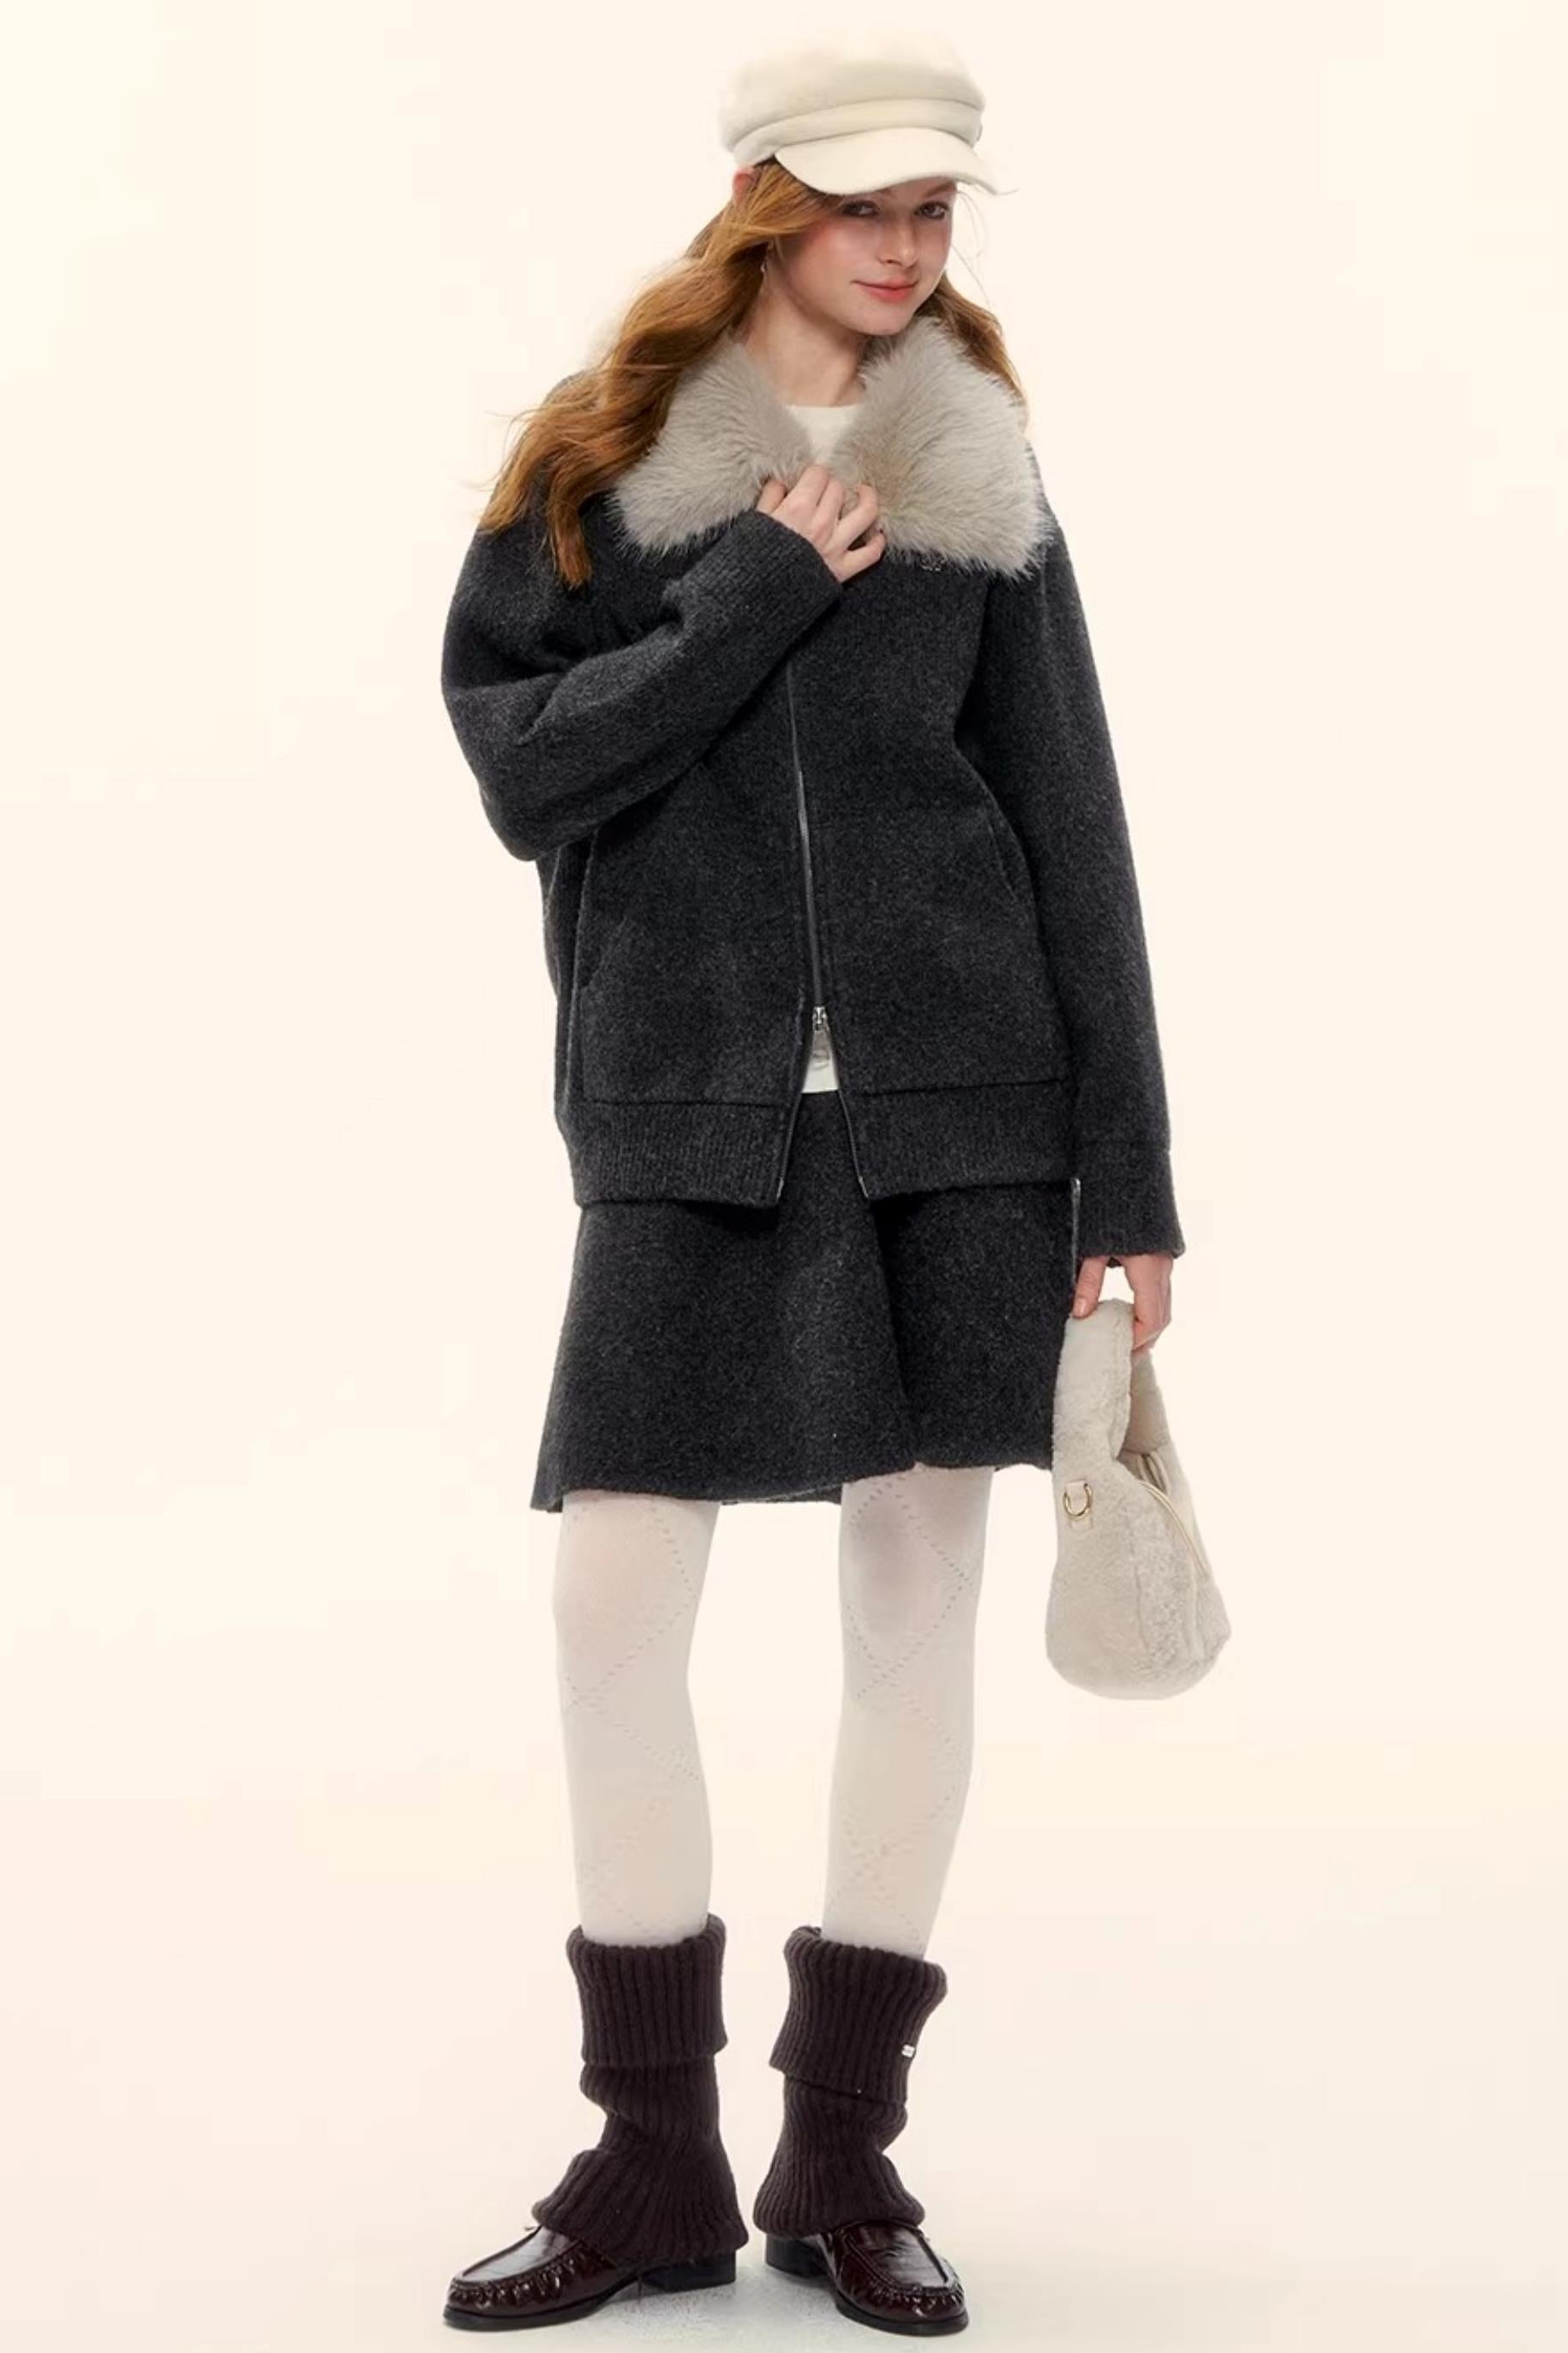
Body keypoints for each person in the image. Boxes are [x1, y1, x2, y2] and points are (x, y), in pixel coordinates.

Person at [437, 32, 1186, 2337]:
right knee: (611, 1602)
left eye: (937, 207)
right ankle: (650, 2152)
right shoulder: (598, 464)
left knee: (914, 1598)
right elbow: (524, 771)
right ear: (767, 196)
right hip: (691, 1112)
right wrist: (754, 588)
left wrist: (1133, 1179)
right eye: (869, 203)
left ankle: (842, 2153)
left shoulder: (978, 473)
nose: (908, 243)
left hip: (969, 1117)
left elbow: (1073, 821)